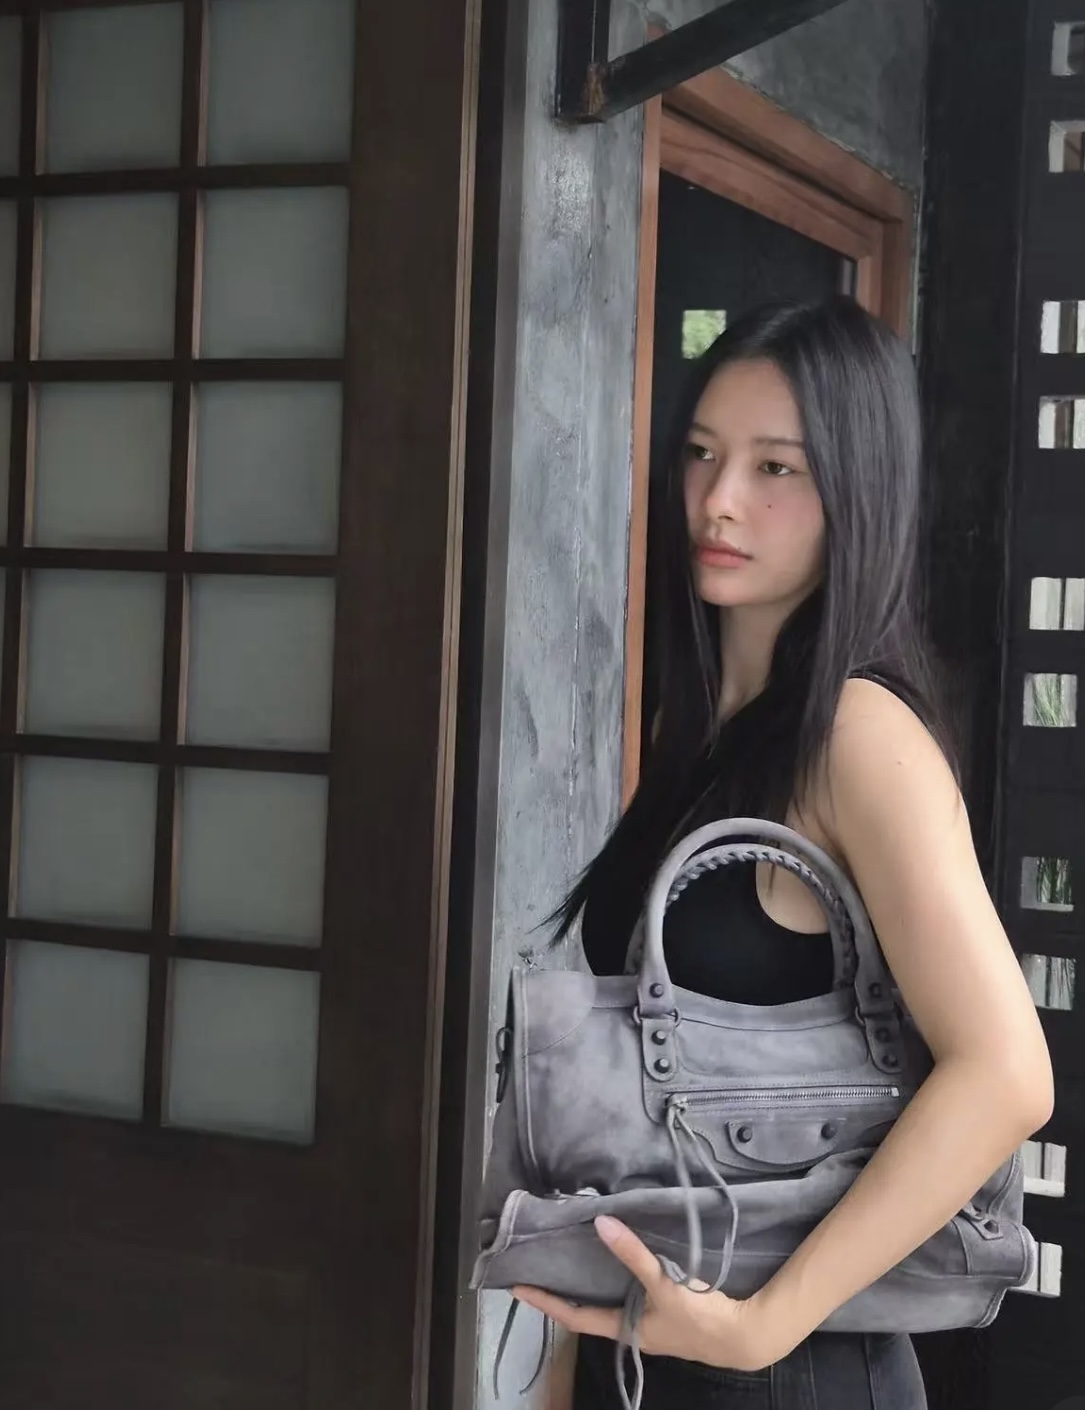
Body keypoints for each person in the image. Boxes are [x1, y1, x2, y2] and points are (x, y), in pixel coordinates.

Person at [510, 297, 1054, 1409]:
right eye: (702, 455)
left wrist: (763, 1325)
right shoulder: (710, 730)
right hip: (655, 1345)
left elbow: (1005, 1074)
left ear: (857, 492)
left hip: (794, 1370)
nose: (718, 500)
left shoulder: (858, 735)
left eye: (775, 469)